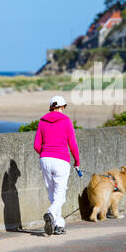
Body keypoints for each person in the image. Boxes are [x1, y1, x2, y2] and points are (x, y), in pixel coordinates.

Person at [34, 95, 80, 235]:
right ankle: (51, 213)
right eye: (64, 107)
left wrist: (46, 153)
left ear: (51, 107)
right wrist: (77, 161)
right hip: (61, 160)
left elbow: (36, 145)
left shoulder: (42, 121)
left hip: (45, 159)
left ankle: (58, 225)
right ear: (61, 107)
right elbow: (72, 144)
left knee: (52, 193)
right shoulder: (66, 121)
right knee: (61, 195)